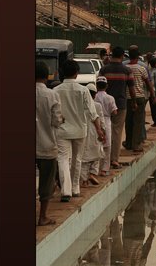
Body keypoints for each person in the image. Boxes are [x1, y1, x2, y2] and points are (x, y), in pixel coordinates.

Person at [53, 60, 105, 201]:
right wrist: (99, 130)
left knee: (63, 159)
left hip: (62, 131)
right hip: (80, 130)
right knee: (77, 159)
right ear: (76, 74)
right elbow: (93, 113)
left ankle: (66, 191)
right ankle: (75, 188)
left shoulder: (55, 91)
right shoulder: (83, 90)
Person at [99, 46, 137, 169]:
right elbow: (131, 88)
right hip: (120, 104)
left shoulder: (104, 70)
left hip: (103, 104)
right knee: (116, 132)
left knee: (103, 130)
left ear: (112, 55)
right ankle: (114, 160)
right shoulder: (126, 71)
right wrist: (134, 102)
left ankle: (102, 160)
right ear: (122, 56)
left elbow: (98, 85)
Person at [36, 60, 64, 225]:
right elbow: (56, 121)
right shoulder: (52, 95)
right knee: (47, 181)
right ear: (47, 77)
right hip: (47, 146)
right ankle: (42, 217)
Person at [125, 46, 155, 153]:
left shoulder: (125, 67)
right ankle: (136, 144)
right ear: (138, 56)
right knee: (138, 122)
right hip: (139, 98)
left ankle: (128, 143)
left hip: (127, 98)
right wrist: (153, 95)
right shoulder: (141, 68)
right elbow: (148, 84)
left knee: (128, 121)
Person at [80, 82, 106, 187]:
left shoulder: (81, 105)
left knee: (84, 158)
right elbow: (101, 120)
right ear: (95, 95)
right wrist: (103, 132)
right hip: (96, 132)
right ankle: (92, 173)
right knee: (97, 155)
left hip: (84, 133)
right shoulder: (97, 106)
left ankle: (84, 180)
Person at [94, 76, 117, 176]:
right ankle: (104, 169)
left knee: (97, 145)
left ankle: (95, 169)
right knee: (107, 146)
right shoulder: (110, 98)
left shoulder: (94, 97)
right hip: (107, 121)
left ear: (96, 86)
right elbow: (114, 112)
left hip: (95, 122)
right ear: (106, 86)